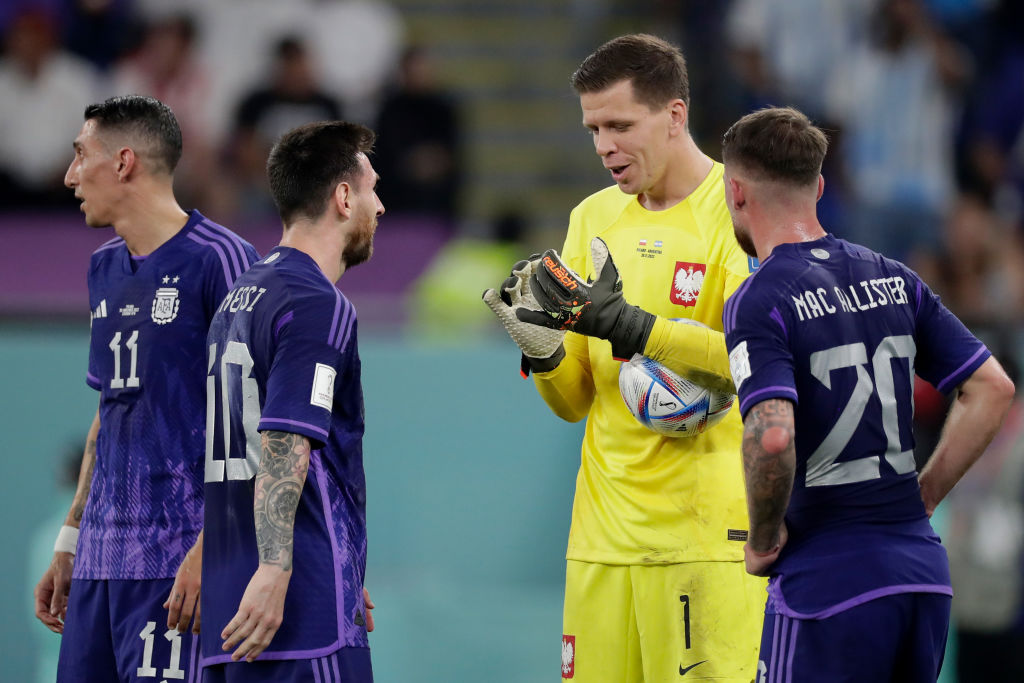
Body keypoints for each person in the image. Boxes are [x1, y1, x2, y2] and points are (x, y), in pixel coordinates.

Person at [484, 34, 765, 682]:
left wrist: (635, 328)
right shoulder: (592, 219)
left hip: (703, 540)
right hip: (602, 541)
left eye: (619, 125)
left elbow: (753, 363)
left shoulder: (736, 213)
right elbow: (574, 401)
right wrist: (542, 350)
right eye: (593, 129)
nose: (603, 145)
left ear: (674, 115)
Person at [719, 106, 1015, 681]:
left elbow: (773, 434)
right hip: (920, 579)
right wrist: (925, 495)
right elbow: (991, 388)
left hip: (827, 587)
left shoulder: (759, 299)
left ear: (736, 191)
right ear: (818, 187)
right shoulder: (893, 277)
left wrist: (763, 538)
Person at [32, 95, 260, 681]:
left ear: (124, 162)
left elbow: (254, 419)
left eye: (81, 155)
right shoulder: (103, 266)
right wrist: (71, 535)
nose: (70, 175)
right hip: (99, 562)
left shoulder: (224, 260)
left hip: (178, 560)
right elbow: (110, 406)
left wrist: (215, 548)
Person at [200, 120, 381, 681]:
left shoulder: (239, 295)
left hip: (230, 608)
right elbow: (284, 439)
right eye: (373, 189)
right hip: (298, 615)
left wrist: (344, 560)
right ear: (343, 197)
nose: (380, 207)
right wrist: (278, 568)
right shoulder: (317, 301)